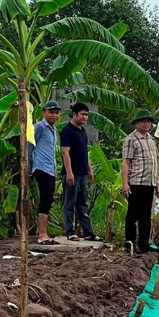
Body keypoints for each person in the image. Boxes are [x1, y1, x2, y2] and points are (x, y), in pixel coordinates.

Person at [59, 103, 103, 242]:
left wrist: (89, 168)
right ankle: (70, 231)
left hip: (83, 173)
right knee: (69, 203)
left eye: (86, 115)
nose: (85, 117)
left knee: (83, 204)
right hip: (72, 173)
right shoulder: (67, 131)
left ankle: (88, 232)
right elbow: (65, 153)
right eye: (82, 114)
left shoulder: (83, 131)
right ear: (74, 114)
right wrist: (69, 172)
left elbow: (85, 152)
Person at [121, 109, 159, 254]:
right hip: (136, 181)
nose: (146, 124)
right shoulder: (131, 139)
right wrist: (125, 183)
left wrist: (156, 181)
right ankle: (129, 243)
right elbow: (126, 163)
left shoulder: (151, 139)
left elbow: (154, 162)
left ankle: (144, 244)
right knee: (133, 215)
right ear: (136, 123)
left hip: (149, 182)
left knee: (146, 216)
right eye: (143, 121)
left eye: (148, 121)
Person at [27, 101, 61, 245]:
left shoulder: (53, 129)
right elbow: (29, 147)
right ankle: (42, 234)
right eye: (51, 112)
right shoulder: (39, 127)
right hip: (41, 168)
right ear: (44, 112)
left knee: (48, 200)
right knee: (45, 199)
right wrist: (29, 167)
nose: (54, 115)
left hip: (50, 169)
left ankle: (44, 233)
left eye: (56, 112)